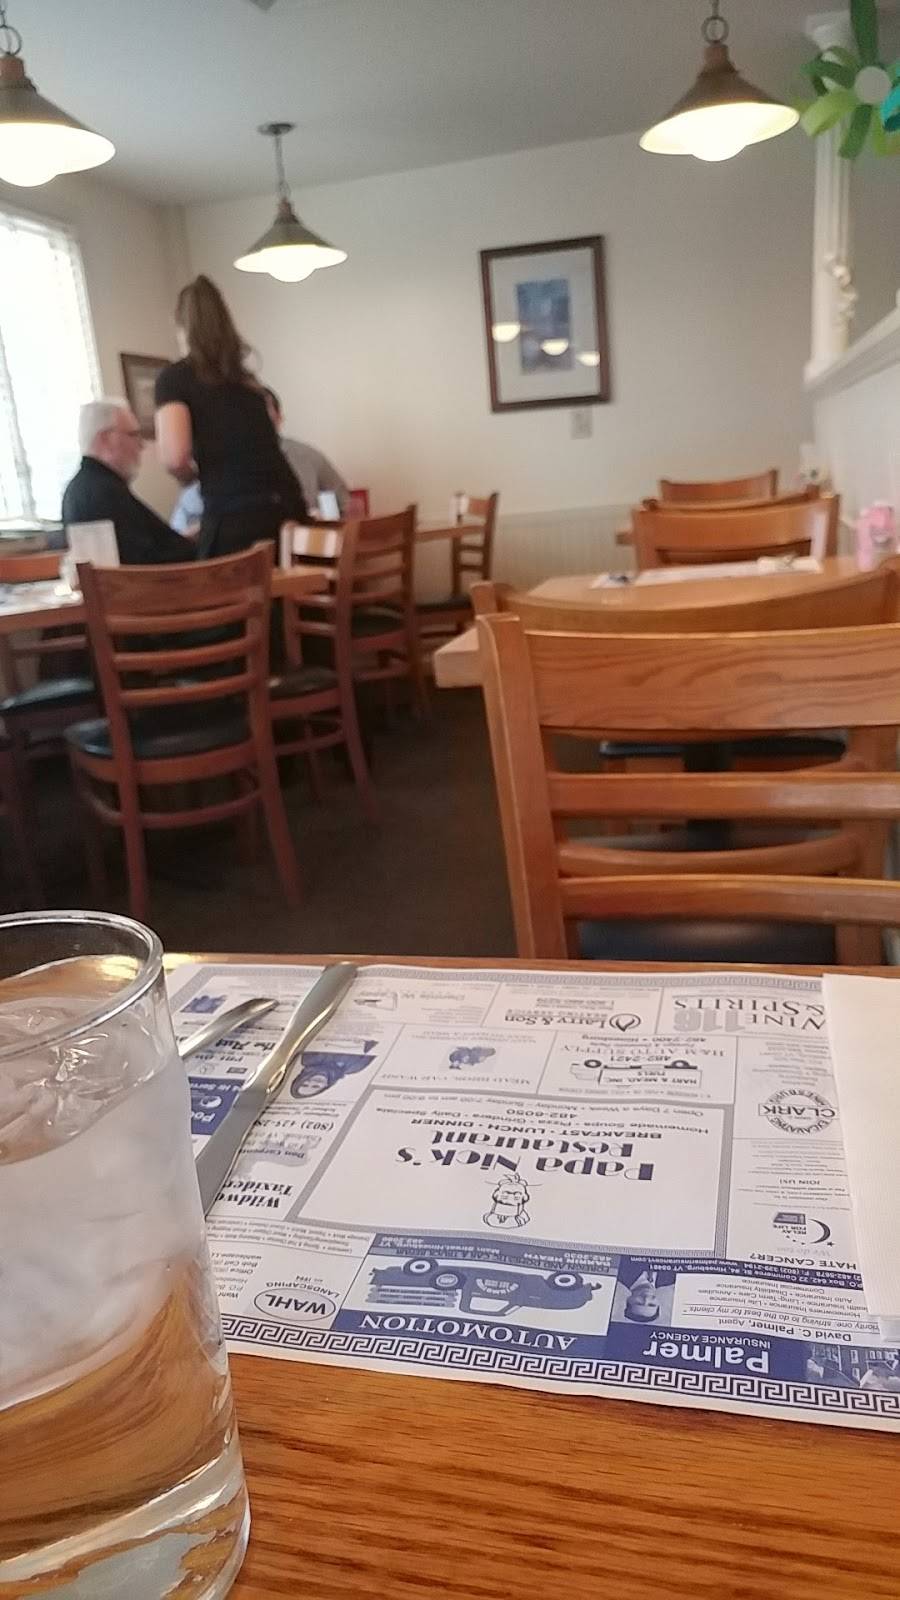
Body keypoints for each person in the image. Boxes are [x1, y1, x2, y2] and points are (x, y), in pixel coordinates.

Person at [155, 275, 307, 559]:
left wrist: (194, 475)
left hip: (233, 517)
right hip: (285, 509)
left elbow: (175, 458)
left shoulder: (175, 379)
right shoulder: (249, 382)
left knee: (215, 586)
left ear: (182, 326)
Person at [169, 386, 349, 533]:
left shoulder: (308, 457)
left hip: (303, 551)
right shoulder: (214, 463)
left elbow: (344, 505)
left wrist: (319, 521)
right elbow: (180, 530)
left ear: (279, 418)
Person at [62, 399, 191, 565]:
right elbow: (143, 562)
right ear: (105, 439)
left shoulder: (84, 487)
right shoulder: (105, 492)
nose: (141, 445)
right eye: (133, 434)